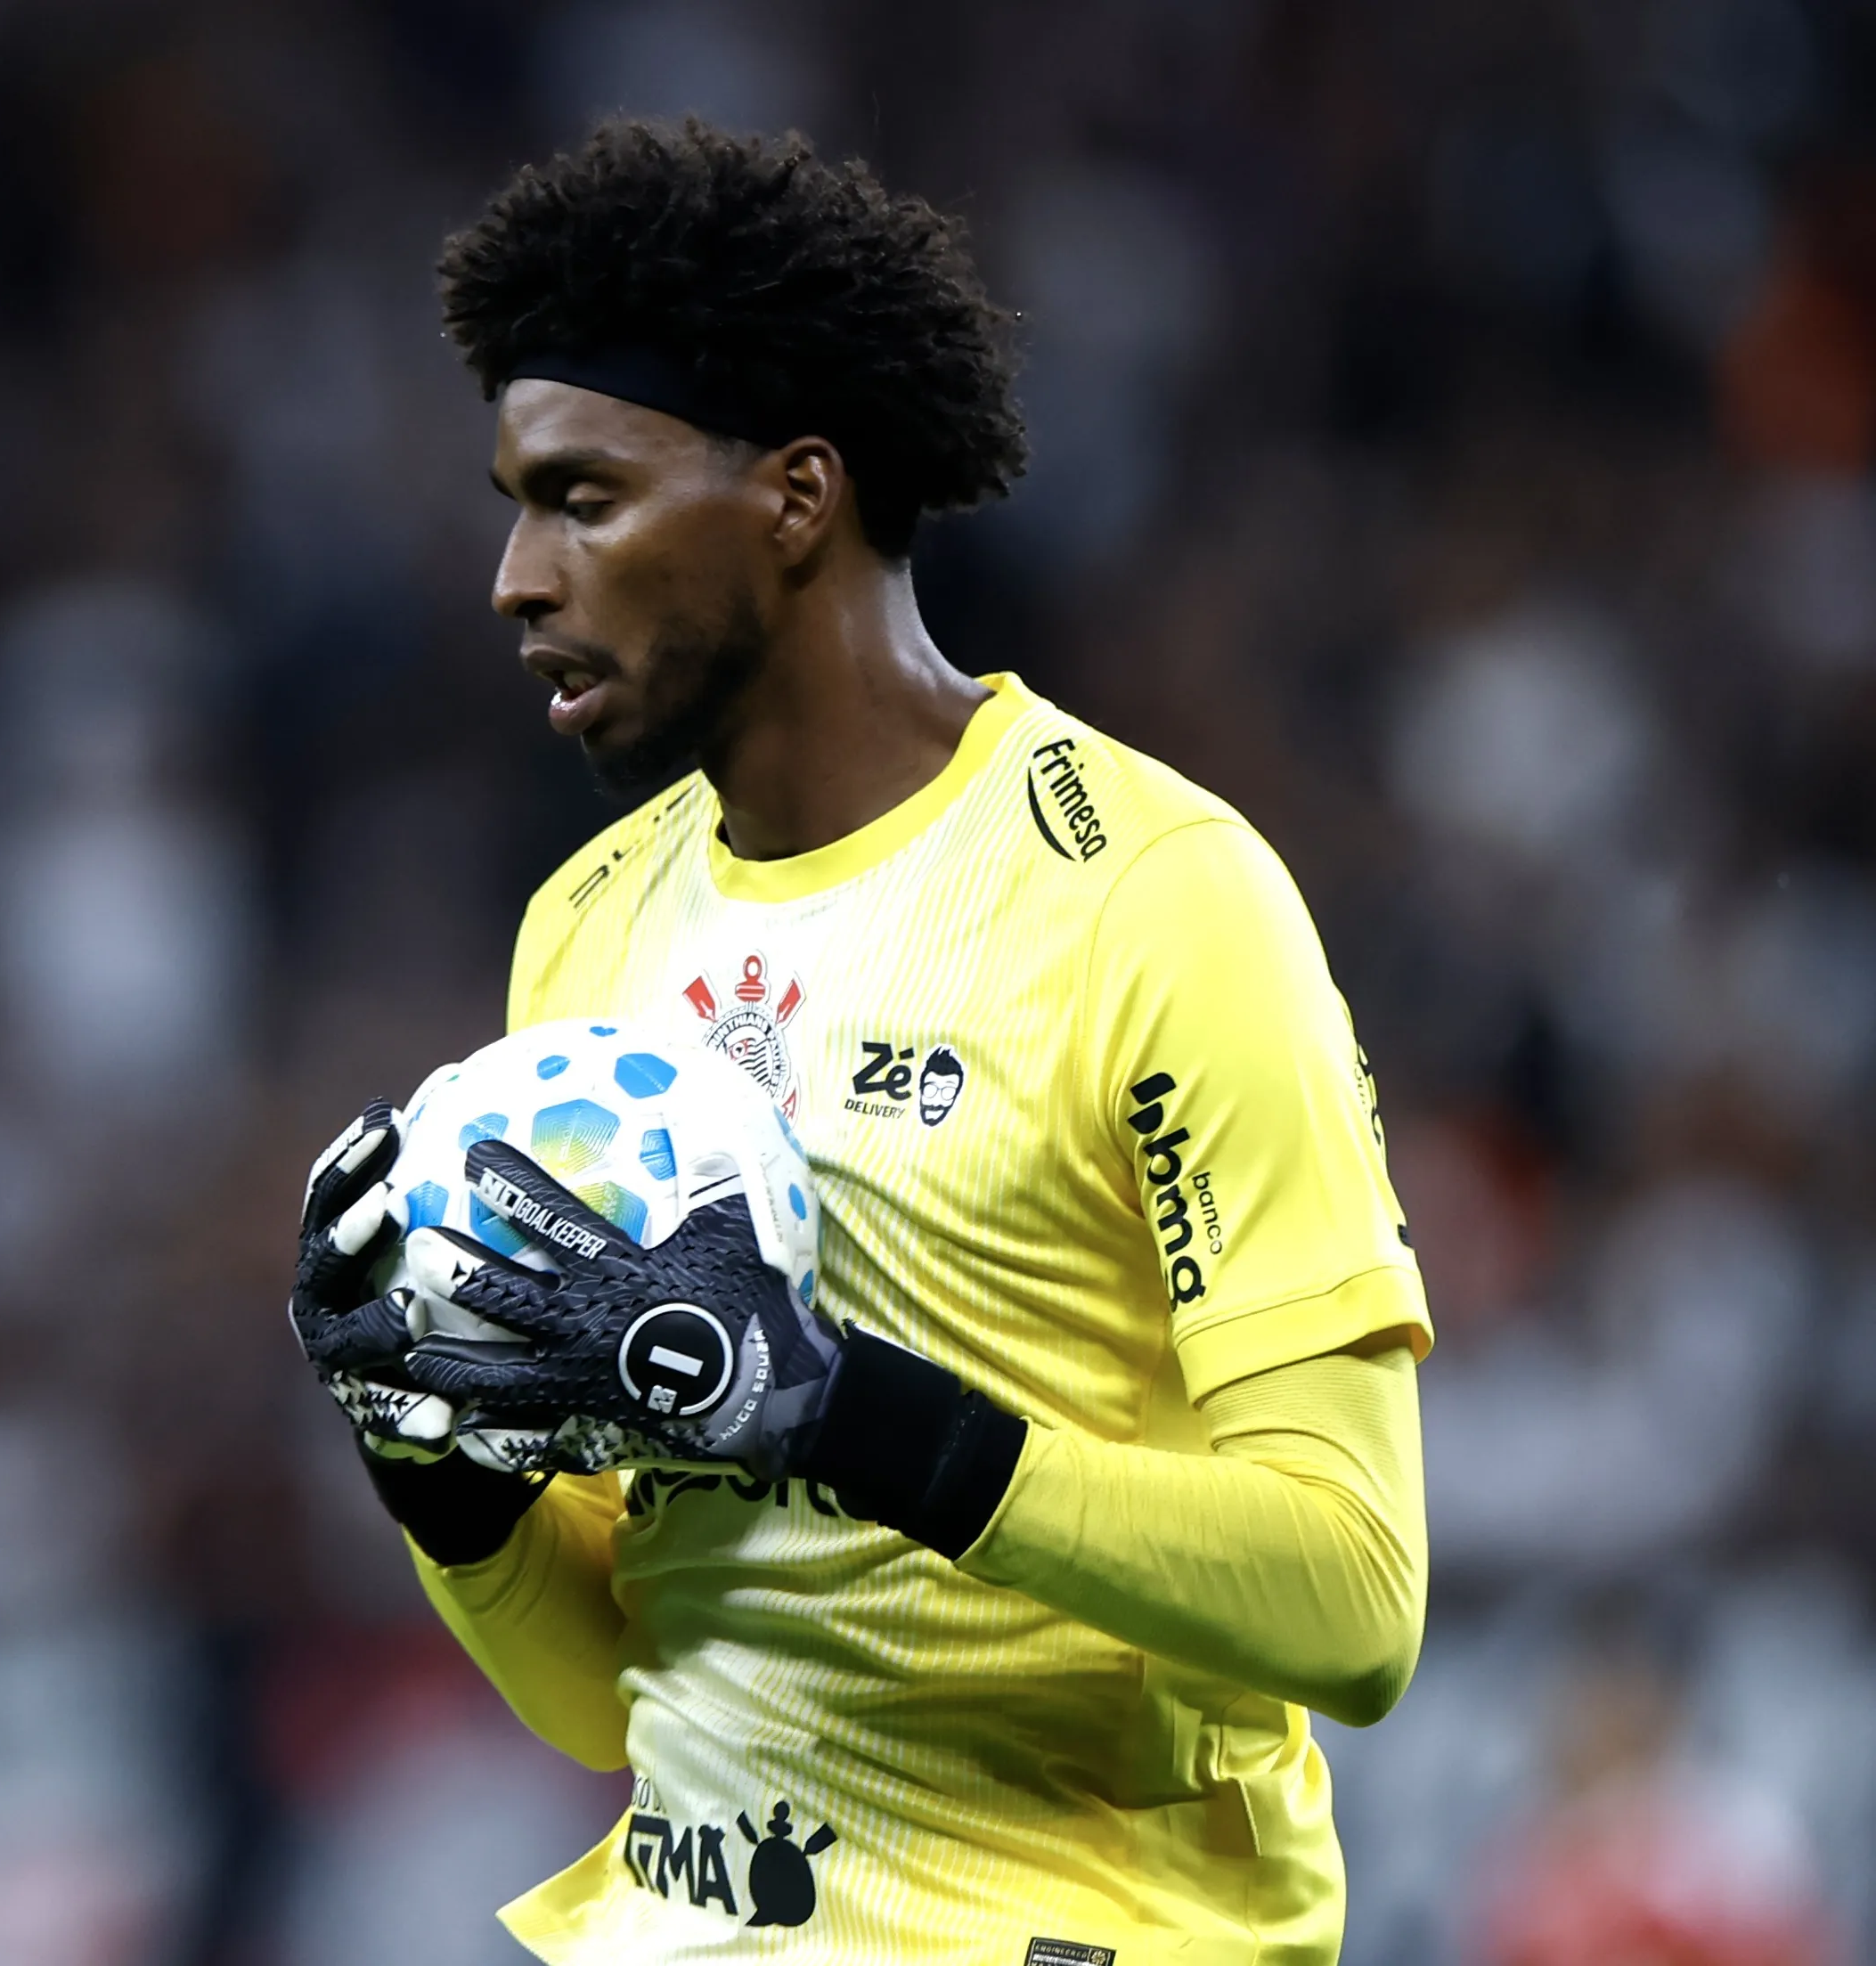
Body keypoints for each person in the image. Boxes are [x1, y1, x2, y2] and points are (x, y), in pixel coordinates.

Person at [287, 119, 1431, 1965]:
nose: (511, 573)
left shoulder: (1153, 896)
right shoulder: (582, 929)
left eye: (580, 499)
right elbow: (620, 1692)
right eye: (514, 502)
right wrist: (437, 1470)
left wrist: (837, 1413)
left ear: (796, 497)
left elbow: (1353, 1600)